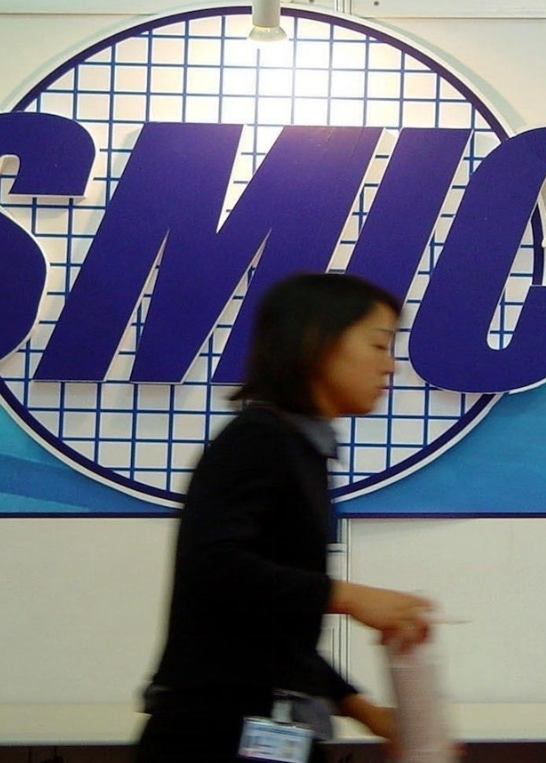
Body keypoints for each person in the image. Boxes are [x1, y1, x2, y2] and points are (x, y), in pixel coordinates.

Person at [135, 272, 434, 763]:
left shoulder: (300, 450)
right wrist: (348, 596)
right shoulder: (259, 441)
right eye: (379, 345)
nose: (391, 365)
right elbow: (212, 568)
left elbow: (270, 630)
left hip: (263, 728)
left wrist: (365, 711)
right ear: (317, 343)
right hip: (216, 732)